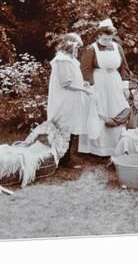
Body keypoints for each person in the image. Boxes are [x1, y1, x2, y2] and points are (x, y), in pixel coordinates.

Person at [78, 19, 133, 156]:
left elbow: (124, 67)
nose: (107, 41)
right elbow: (85, 69)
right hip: (99, 82)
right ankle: (97, 148)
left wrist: (125, 86)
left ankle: (116, 146)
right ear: (98, 36)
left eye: (110, 38)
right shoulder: (92, 49)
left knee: (117, 108)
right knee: (100, 110)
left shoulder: (117, 47)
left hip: (115, 81)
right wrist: (90, 86)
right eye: (104, 38)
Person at [47, 33, 93, 168]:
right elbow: (65, 83)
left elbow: (71, 78)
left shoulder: (69, 59)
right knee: (65, 126)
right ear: (70, 45)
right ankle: (63, 159)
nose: (77, 50)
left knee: (71, 125)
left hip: (71, 97)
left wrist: (82, 83)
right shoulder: (62, 60)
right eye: (77, 47)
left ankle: (65, 157)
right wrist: (83, 90)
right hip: (65, 98)